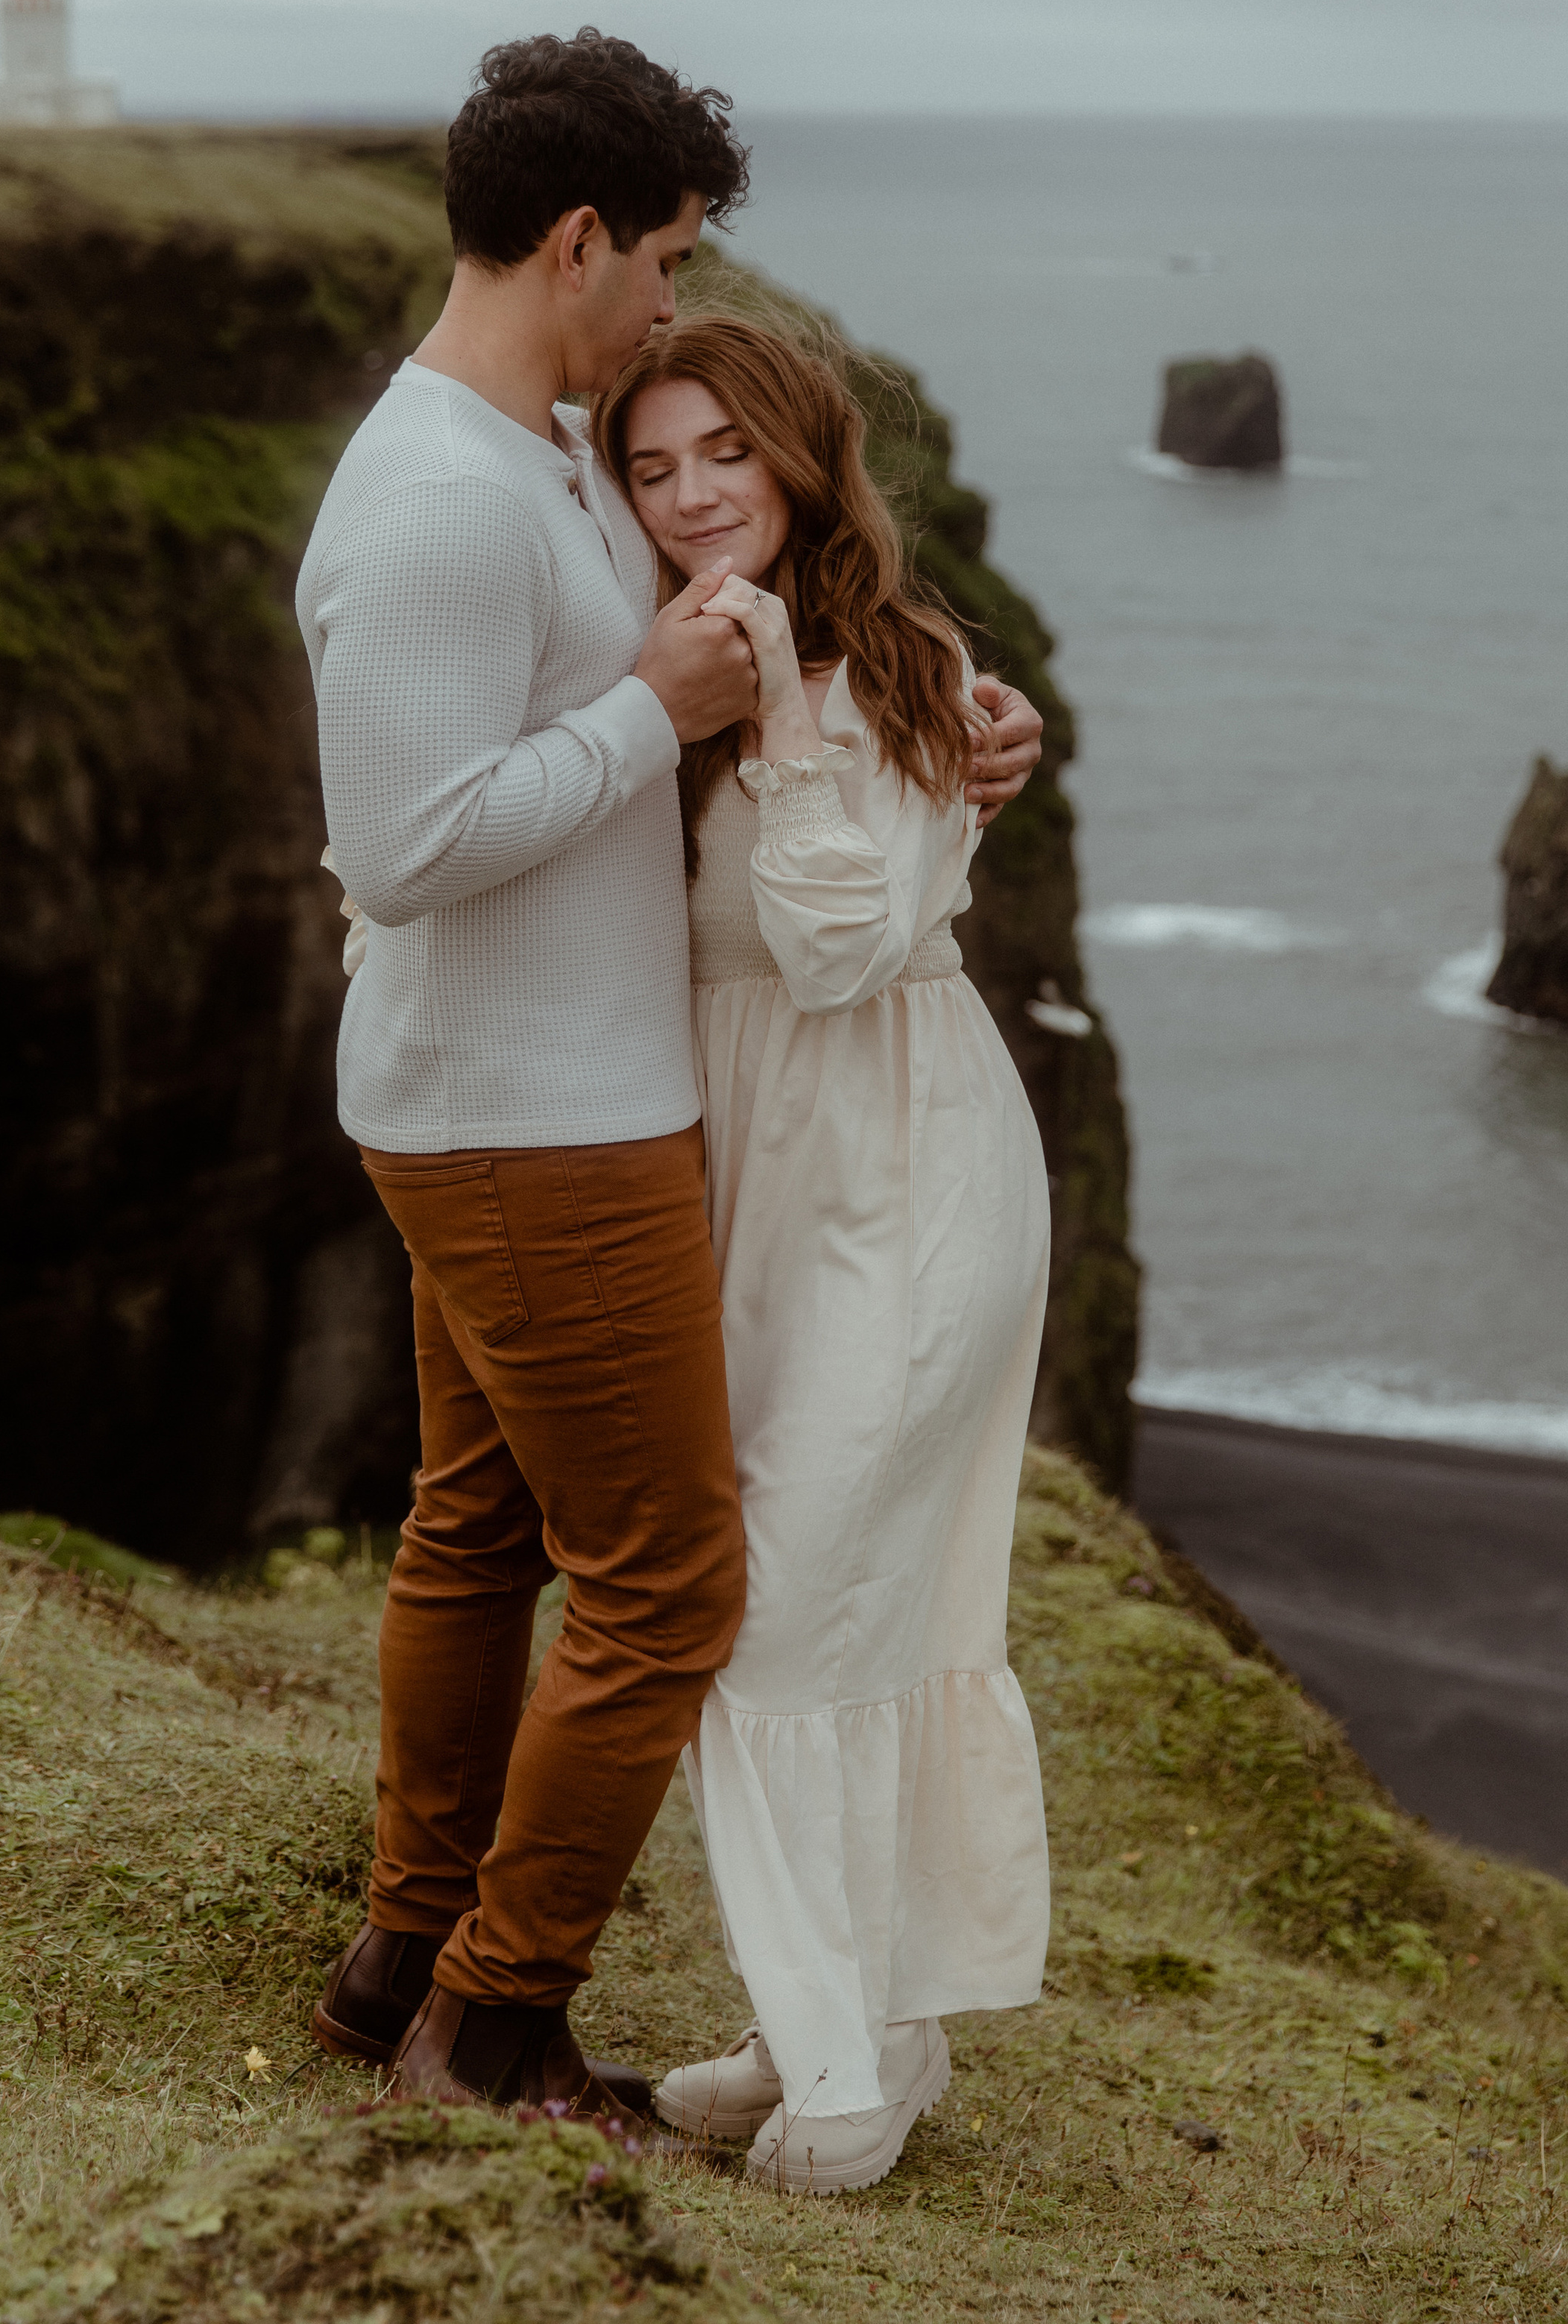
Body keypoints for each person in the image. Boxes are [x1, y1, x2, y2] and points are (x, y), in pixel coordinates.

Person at [295, 31, 1044, 2130]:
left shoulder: (528, 444)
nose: (666, 313)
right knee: (664, 1584)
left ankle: (401, 1956)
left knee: (481, 1524)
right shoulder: (441, 497)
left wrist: (963, 713)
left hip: (525, 1085)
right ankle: (500, 2018)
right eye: (664, 260)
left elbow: (776, 611)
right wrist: (645, 707)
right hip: (538, 1114)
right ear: (576, 237)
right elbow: (404, 846)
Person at [591, 312, 1052, 2194]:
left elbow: (840, 949)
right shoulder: (658, 670)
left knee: (800, 1605)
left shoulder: (901, 666)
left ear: (798, 458)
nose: (696, 494)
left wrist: (778, 703)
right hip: (746, 1181)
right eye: (650, 465)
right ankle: (841, 2023)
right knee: (833, 1605)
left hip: (902, 1170)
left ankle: (849, 2048)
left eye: (727, 454)